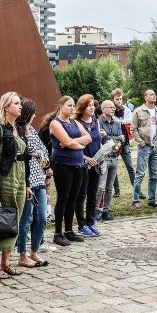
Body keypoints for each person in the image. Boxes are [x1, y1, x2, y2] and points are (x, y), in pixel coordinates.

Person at [0, 92, 30, 279]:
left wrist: (27, 184)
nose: (20, 107)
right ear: (6, 106)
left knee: (13, 221)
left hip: (20, 176)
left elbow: (24, 157)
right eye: (16, 103)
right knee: (0, 219)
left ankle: (6, 263)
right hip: (5, 176)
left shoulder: (18, 127)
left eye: (20, 103)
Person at [48, 96, 91, 246]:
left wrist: (74, 143)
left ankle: (69, 230)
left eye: (73, 106)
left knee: (73, 197)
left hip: (78, 163)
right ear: (61, 106)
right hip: (63, 164)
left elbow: (88, 138)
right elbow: (66, 142)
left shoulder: (75, 122)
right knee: (63, 198)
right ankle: (58, 233)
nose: (72, 108)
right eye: (69, 105)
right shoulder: (55, 123)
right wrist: (72, 143)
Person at [16, 100, 50, 268]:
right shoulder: (18, 132)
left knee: (42, 217)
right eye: (33, 112)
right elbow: (22, 154)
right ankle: (22, 254)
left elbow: (43, 152)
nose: (35, 115)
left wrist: (42, 159)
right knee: (26, 219)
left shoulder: (33, 131)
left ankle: (35, 251)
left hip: (39, 179)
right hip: (26, 180)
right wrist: (33, 155)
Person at [72, 94, 103, 237]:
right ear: (82, 107)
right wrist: (85, 157)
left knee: (93, 194)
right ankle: (81, 224)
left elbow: (98, 141)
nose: (92, 108)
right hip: (82, 162)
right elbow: (74, 144)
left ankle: (91, 222)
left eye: (93, 105)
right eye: (89, 105)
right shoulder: (76, 123)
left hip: (96, 162)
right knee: (81, 194)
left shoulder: (96, 121)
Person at [131, 89, 157, 208]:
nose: (154, 96)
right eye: (151, 94)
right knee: (140, 173)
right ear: (145, 97)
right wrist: (141, 142)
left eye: (154, 94)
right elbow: (133, 128)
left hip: (155, 146)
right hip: (144, 146)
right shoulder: (138, 111)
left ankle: (151, 199)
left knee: (154, 174)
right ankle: (135, 200)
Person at [97, 99, 125, 222]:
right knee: (100, 187)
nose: (113, 109)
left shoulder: (117, 123)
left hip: (114, 157)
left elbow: (121, 139)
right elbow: (103, 140)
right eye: (110, 107)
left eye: (114, 107)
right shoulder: (98, 123)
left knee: (109, 187)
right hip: (103, 159)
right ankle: (96, 211)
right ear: (103, 109)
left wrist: (111, 138)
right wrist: (116, 138)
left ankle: (106, 211)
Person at [111, 88, 135, 197]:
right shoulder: (110, 111)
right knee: (113, 167)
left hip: (124, 144)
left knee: (130, 166)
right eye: (117, 99)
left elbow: (127, 123)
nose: (119, 101)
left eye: (120, 99)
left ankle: (137, 189)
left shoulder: (127, 110)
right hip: (114, 144)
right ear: (113, 99)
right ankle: (117, 190)